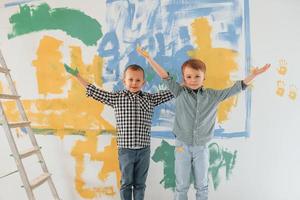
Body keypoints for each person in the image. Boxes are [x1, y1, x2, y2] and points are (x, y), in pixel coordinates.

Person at [136, 47, 270, 200]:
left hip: (201, 147)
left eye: (197, 76)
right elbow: (164, 76)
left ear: (204, 77)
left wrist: (253, 75)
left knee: (202, 185)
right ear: (184, 78)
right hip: (182, 145)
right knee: (181, 186)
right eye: (189, 76)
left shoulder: (212, 95)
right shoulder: (179, 91)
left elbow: (235, 88)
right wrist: (149, 59)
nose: (193, 80)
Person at [64, 63, 174, 200]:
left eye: (138, 80)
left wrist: (189, 81)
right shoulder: (116, 98)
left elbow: (173, 91)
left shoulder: (150, 99)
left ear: (143, 83)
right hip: (125, 150)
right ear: (124, 81)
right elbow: (94, 91)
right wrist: (77, 76)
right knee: (126, 183)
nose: (134, 83)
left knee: (140, 184)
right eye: (130, 79)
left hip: (144, 150)